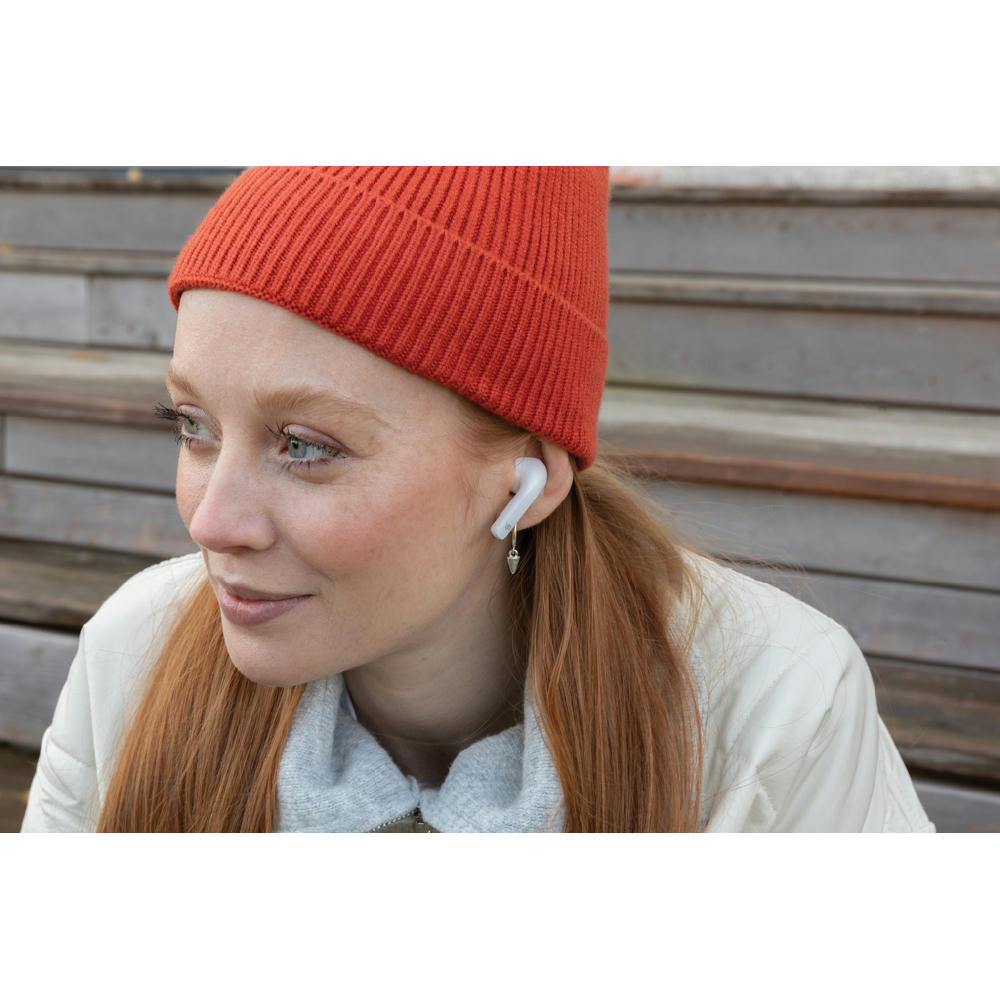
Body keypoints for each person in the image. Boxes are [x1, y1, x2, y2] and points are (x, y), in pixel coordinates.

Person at [21, 166, 934, 833]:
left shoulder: (770, 710)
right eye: (193, 426)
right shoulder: (136, 653)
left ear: (526, 481)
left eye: (305, 446)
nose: (210, 521)